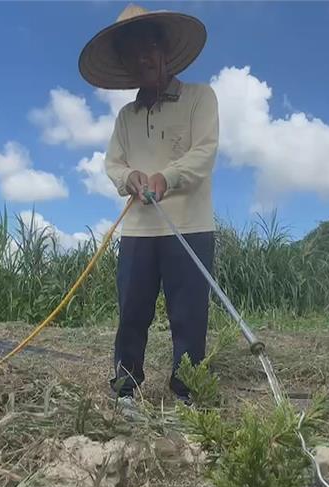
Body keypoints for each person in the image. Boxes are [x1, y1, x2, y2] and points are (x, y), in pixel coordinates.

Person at [78, 4, 219, 407]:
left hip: (189, 226)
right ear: (126, 62)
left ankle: (187, 391)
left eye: (150, 46)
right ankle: (126, 387)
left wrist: (166, 176)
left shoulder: (200, 98)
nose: (144, 57)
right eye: (133, 52)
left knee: (189, 314)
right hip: (138, 230)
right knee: (132, 312)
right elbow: (114, 163)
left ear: (164, 50)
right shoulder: (125, 116)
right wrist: (130, 179)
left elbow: (204, 152)